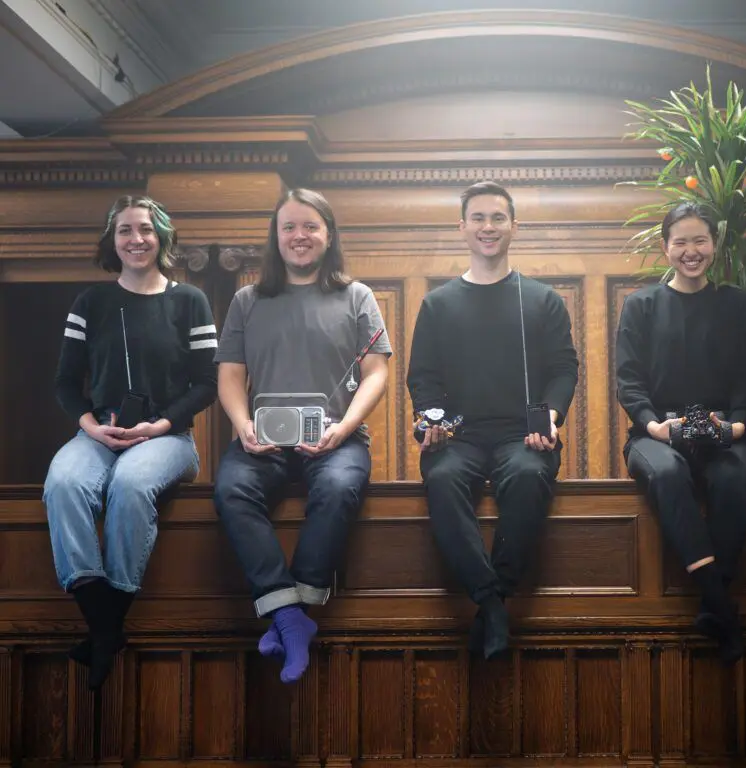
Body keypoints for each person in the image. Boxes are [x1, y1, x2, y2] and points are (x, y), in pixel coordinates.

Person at [213, 188, 391, 683]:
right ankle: (292, 618)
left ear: (328, 234)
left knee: (338, 487)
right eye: (289, 226)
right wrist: (243, 426)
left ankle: (292, 612)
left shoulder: (357, 296)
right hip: (263, 440)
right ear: (276, 236)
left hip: (336, 439)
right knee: (231, 490)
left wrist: (345, 427)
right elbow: (230, 375)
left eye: (310, 226)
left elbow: (376, 372)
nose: (299, 235)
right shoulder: (247, 301)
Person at [43, 195, 217, 690]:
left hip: (169, 437)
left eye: (145, 229)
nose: (136, 239)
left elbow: (207, 383)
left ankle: (107, 620)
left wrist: (158, 427)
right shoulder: (89, 303)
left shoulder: (190, 300)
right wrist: (90, 426)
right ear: (112, 240)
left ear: (162, 236)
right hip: (99, 431)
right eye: (125, 230)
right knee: (63, 482)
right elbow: (65, 382)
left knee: (131, 483)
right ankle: (103, 620)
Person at [407, 181, 579, 660]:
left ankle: (492, 597)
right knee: (442, 479)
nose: (488, 226)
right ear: (462, 227)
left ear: (514, 227)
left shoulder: (543, 299)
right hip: (457, 436)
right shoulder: (438, 304)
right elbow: (422, 377)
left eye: (498, 218)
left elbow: (564, 369)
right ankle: (492, 601)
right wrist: (429, 419)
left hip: (523, 435)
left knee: (527, 476)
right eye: (478, 218)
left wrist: (551, 418)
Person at [615, 202, 746, 663]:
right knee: (666, 474)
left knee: (732, 478)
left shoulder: (738, 304)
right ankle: (718, 603)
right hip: (655, 431)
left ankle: (714, 603)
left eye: (700, 240)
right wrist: (653, 425)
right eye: (680, 242)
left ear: (715, 245)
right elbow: (628, 381)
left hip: (723, 429)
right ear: (666, 248)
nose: (691, 251)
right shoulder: (640, 305)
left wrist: (736, 425)